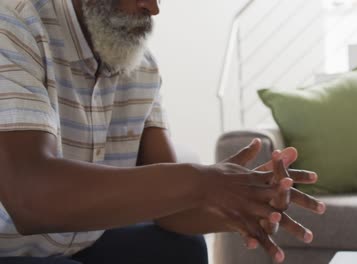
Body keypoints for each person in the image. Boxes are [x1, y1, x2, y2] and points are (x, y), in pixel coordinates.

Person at [0, 0, 326, 263]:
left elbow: (176, 213)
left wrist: (247, 204)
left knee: (182, 249)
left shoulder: (141, 67)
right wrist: (200, 180)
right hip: (9, 246)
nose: (153, 8)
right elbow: (30, 197)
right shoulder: (14, 26)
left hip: (77, 243)